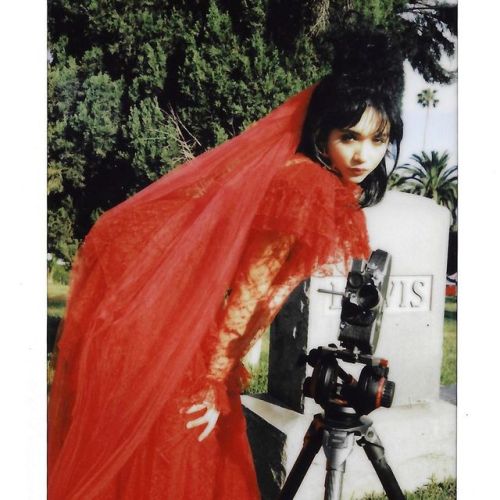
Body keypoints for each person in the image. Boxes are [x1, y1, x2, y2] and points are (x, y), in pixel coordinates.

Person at [48, 33, 404, 499]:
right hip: (172, 339)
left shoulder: (319, 184)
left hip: (183, 332)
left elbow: (266, 291)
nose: (364, 155)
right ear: (322, 135)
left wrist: (230, 364)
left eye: (378, 139)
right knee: (177, 461)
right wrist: (212, 382)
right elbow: (255, 291)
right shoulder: (306, 187)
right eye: (349, 137)